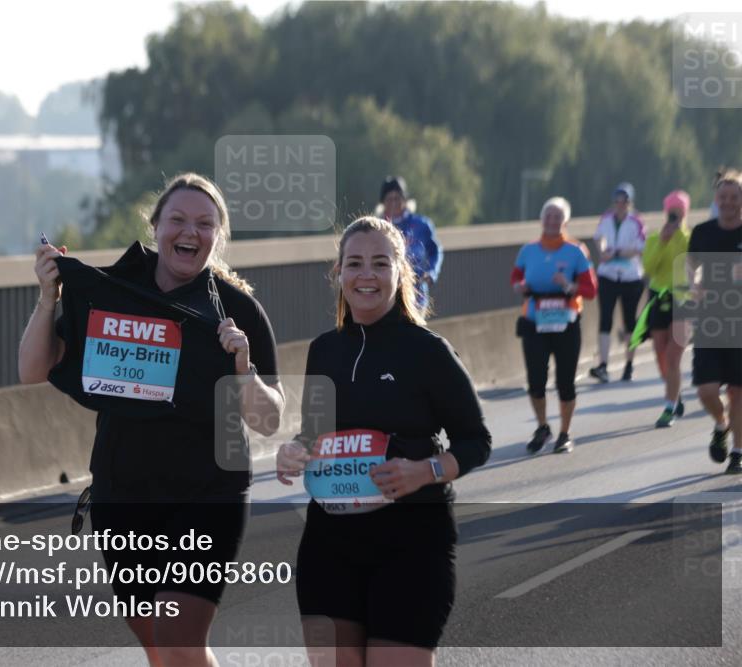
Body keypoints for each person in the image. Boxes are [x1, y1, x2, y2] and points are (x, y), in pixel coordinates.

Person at [18, 172, 286, 666]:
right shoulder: (114, 292)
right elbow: (34, 368)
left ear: (218, 237)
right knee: (161, 650)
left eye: (205, 224)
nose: (190, 232)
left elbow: (269, 420)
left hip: (209, 494)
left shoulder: (239, 310)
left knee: (180, 643)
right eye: (178, 219)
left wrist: (243, 368)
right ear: (155, 226)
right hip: (124, 496)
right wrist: (48, 297)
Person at [276, 216, 491, 666]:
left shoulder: (427, 351)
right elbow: (315, 433)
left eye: (380, 263)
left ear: (400, 273)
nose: (366, 275)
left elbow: (476, 440)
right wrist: (295, 451)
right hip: (329, 545)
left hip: (412, 545)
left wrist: (424, 471)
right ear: (339, 274)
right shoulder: (323, 350)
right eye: (354, 263)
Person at [511, 197, 598, 454]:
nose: (552, 221)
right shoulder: (528, 250)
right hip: (535, 319)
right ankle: (542, 427)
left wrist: (569, 285)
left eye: (557, 217)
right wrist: (519, 286)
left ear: (566, 221)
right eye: (548, 216)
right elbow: (515, 276)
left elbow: (591, 289)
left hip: (566, 322)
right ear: (541, 219)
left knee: (565, 381)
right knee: (535, 380)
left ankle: (565, 432)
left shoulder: (576, 251)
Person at [686, 169, 742, 474]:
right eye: (724, 197)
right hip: (710, 321)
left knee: (738, 391)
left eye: (735, 197)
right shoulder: (703, 232)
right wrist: (693, 284)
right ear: (716, 200)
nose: (729, 202)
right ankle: (721, 425)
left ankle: (737, 451)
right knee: (707, 391)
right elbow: (689, 264)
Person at [639, 190, 691, 427]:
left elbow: (690, 260)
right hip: (658, 297)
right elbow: (648, 268)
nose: (675, 216)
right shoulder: (653, 238)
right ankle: (675, 392)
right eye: (672, 212)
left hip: (682, 298)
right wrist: (662, 242)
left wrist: (678, 234)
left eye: (679, 212)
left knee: (673, 356)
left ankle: (669, 408)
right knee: (660, 354)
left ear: (685, 213)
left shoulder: (690, 237)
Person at [590, 182, 646, 383]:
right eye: (618, 201)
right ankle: (603, 365)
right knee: (605, 318)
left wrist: (619, 252)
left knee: (629, 321)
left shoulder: (636, 222)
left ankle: (629, 365)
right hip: (608, 274)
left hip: (630, 275)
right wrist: (604, 251)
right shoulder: (606, 219)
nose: (621, 204)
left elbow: (640, 247)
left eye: (625, 201)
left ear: (630, 203)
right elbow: (599, 238)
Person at [380, 176, 443, 312]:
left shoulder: (421, 225)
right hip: (384, 298)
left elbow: (435, 251)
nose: (394, 203)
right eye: (389, 199)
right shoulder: (375, 228)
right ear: (383, 202)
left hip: (416, 297)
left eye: (397, 198)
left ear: (405, 200)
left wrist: (432, 272)